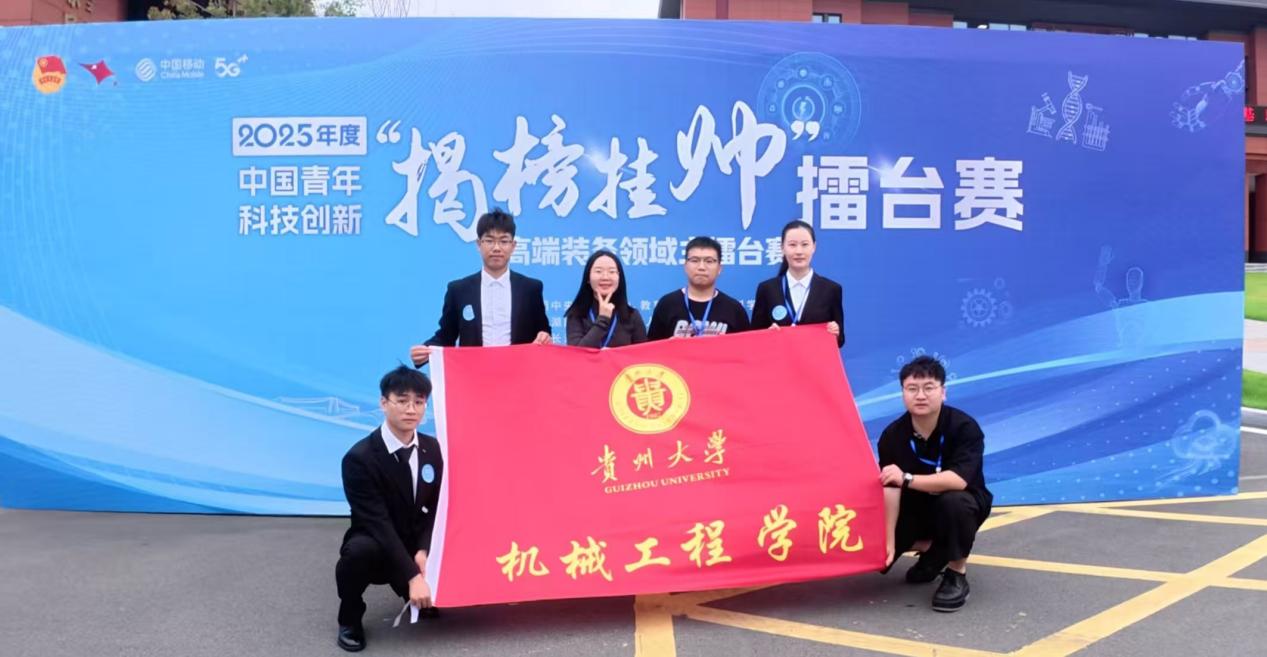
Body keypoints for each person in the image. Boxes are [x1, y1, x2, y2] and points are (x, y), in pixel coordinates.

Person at [336, 366, 445, 651]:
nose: (411, 409)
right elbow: (377, 522)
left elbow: (436, 507)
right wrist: (413, 575)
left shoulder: (433, 449)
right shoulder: (359, 458)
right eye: (402, 400)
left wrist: (424, 549)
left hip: (415, 538)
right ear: (384, 403)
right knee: (358, 553)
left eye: (419, 402)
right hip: (377, 539)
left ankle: (415, 593)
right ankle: (349, 617)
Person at [876, 356, 992, 612]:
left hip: (962, 503)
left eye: (928, 387)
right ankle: (936, 551)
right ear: (902, 393)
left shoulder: (964, 427)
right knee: (879, 550)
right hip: (916, 507)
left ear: (943, 392)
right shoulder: (892, 436)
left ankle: (956, 573)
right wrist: (889, 541)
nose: (920, 395)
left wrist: (907, 478)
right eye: (912, 388)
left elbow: (958, 480)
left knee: (954, 502)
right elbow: (891, 487)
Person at [410, 209, 551, 367]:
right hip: (473, 373)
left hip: (519, 371)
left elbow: (543, 331)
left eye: (504, 241)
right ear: (478, 244)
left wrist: (544, 337)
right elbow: (446, 336)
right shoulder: (459, 290)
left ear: (513, 246)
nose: (496, 248)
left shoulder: (530, 289)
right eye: (489, 241)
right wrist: (425, 350)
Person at [750, 220, 844, 347]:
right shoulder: (767, 289)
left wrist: (836, 333)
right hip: (779, 358)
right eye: (792, 245)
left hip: (814, 358)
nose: (799, 251)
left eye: (805, 244)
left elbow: (840, 340)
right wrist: (767, 334)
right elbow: (753, 337)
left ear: (814, 247)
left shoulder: (831, 289)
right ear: (782, 248)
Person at [647, 236, 751, 340]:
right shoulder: (667, 304)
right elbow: (651, 346)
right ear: (685, 266)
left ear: (719, 268)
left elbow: (747, 347)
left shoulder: (734, 309)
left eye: (709, 261)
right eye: (695, 260)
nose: (701, 267)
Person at [565, 250, 648, 348]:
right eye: (598, 271)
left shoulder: (632, 316)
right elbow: (577, 353)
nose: (605, 277)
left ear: (619, 277)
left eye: (611, 271)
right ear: (588, 278)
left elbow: (643, 355)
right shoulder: (576, 315)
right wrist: (602, 320)